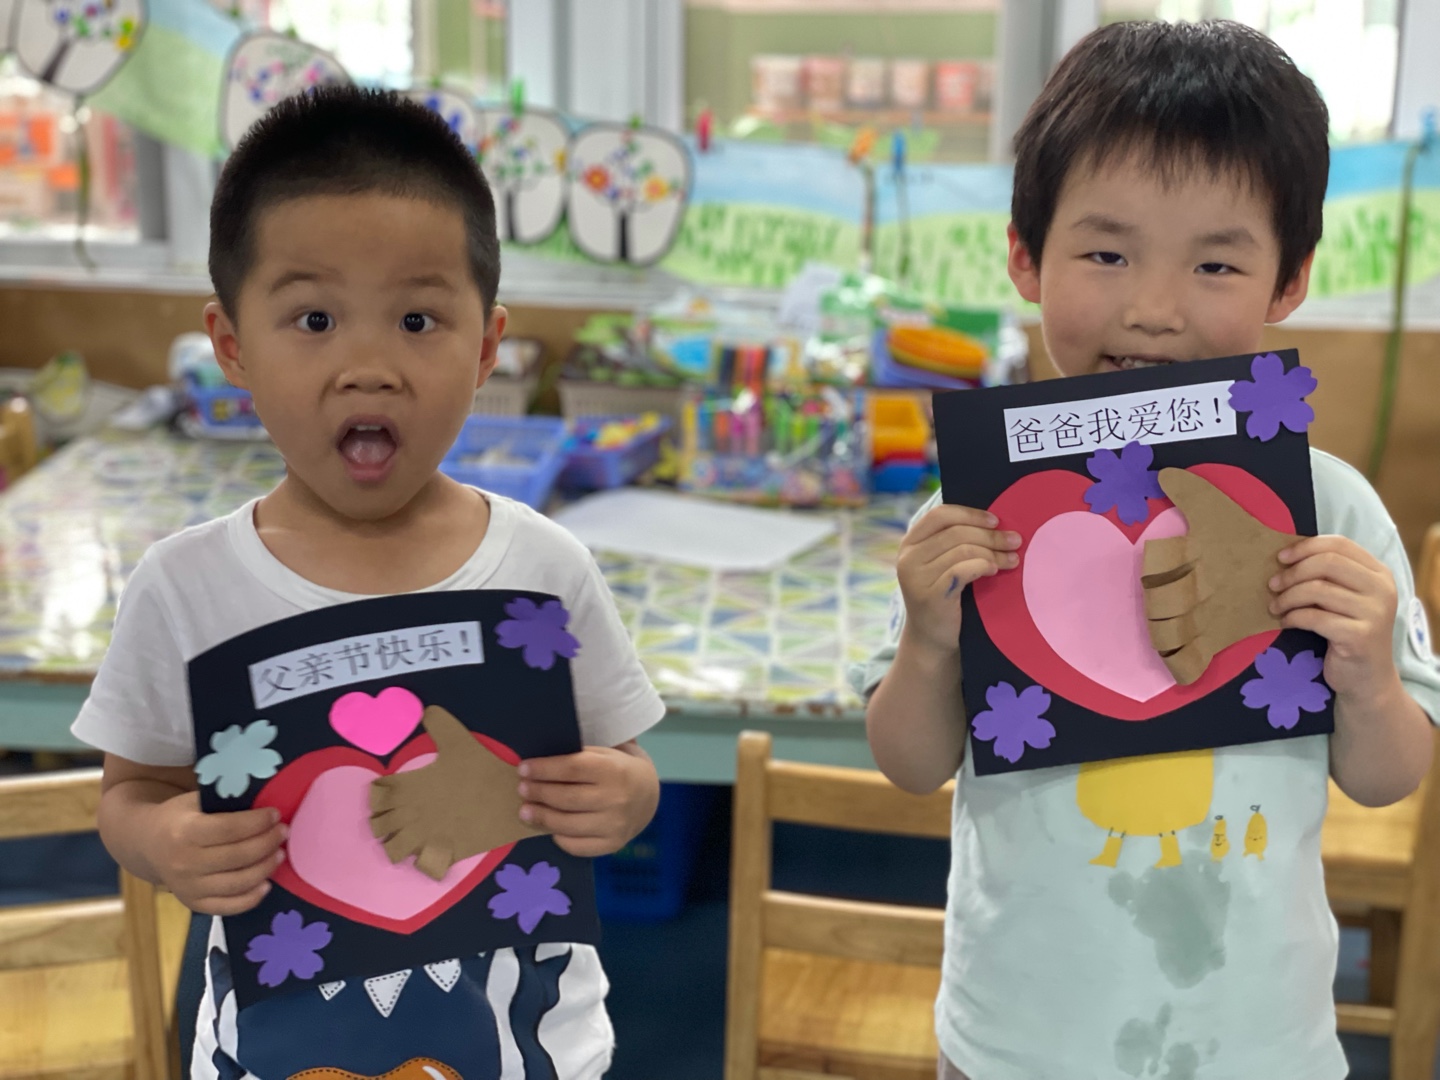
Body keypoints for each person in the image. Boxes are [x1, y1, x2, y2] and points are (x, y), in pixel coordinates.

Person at [857, 20, 1440, 1080]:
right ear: (1025, 258)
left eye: (1216, 262)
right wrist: (929, 643)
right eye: (1106, 253)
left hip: (1259, 1045)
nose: (1155, 310)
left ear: (1288, 281)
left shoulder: (1330, 510)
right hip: (1015, 1041)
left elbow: (1388, 778)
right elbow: (909, 763)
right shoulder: (978, 511)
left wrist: (1366, 674)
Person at [72, 86, 664, 1080]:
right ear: (232, 346)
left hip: (526, 1045)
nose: (369, 366)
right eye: (314, 318)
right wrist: (165, 840)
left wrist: (623, 797)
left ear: (486, 348)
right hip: (275, 1047)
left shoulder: (543, 570)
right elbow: (130, 793)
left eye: (418, 319)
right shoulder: (185, 587)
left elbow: (624, 763)